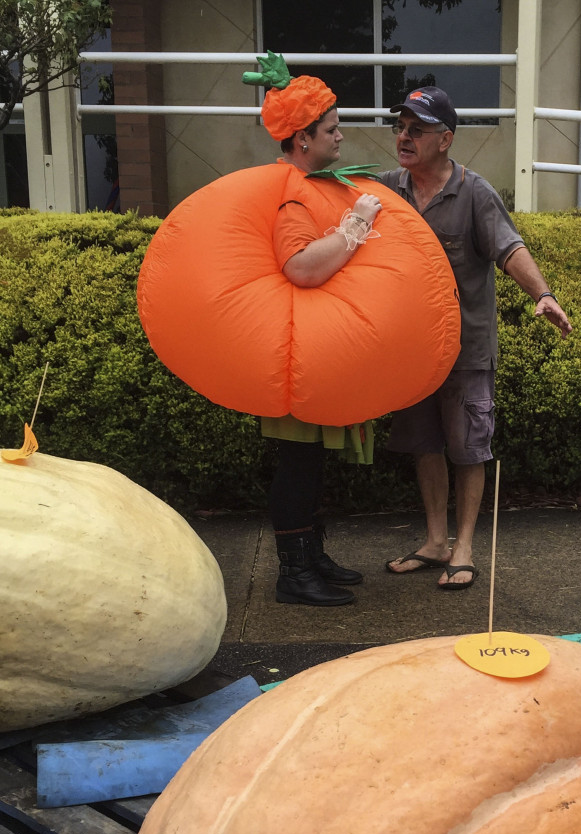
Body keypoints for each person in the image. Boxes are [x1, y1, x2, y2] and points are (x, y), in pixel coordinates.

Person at [379, 86, 572, 591]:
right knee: (424, 445)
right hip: (412, 352)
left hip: (466, 350)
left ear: (444, 139)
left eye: (416, 130)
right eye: (400, 127)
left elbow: (508, 248)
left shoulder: (474, 192)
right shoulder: (387, 190)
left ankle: (464, 546)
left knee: (468, 448)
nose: (404, 137)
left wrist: (543, 293)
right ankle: (435, 541)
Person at [248, 58, 383, 607]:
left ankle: (311, 555)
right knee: (298, 462)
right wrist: (359, 223)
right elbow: (301, 266)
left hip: (313, 352)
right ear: (302, 138)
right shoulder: (292, 194)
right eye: (330, 130)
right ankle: (293, 573)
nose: (341, 136)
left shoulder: (313, 184)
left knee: (311, 461)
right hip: (295, 355)